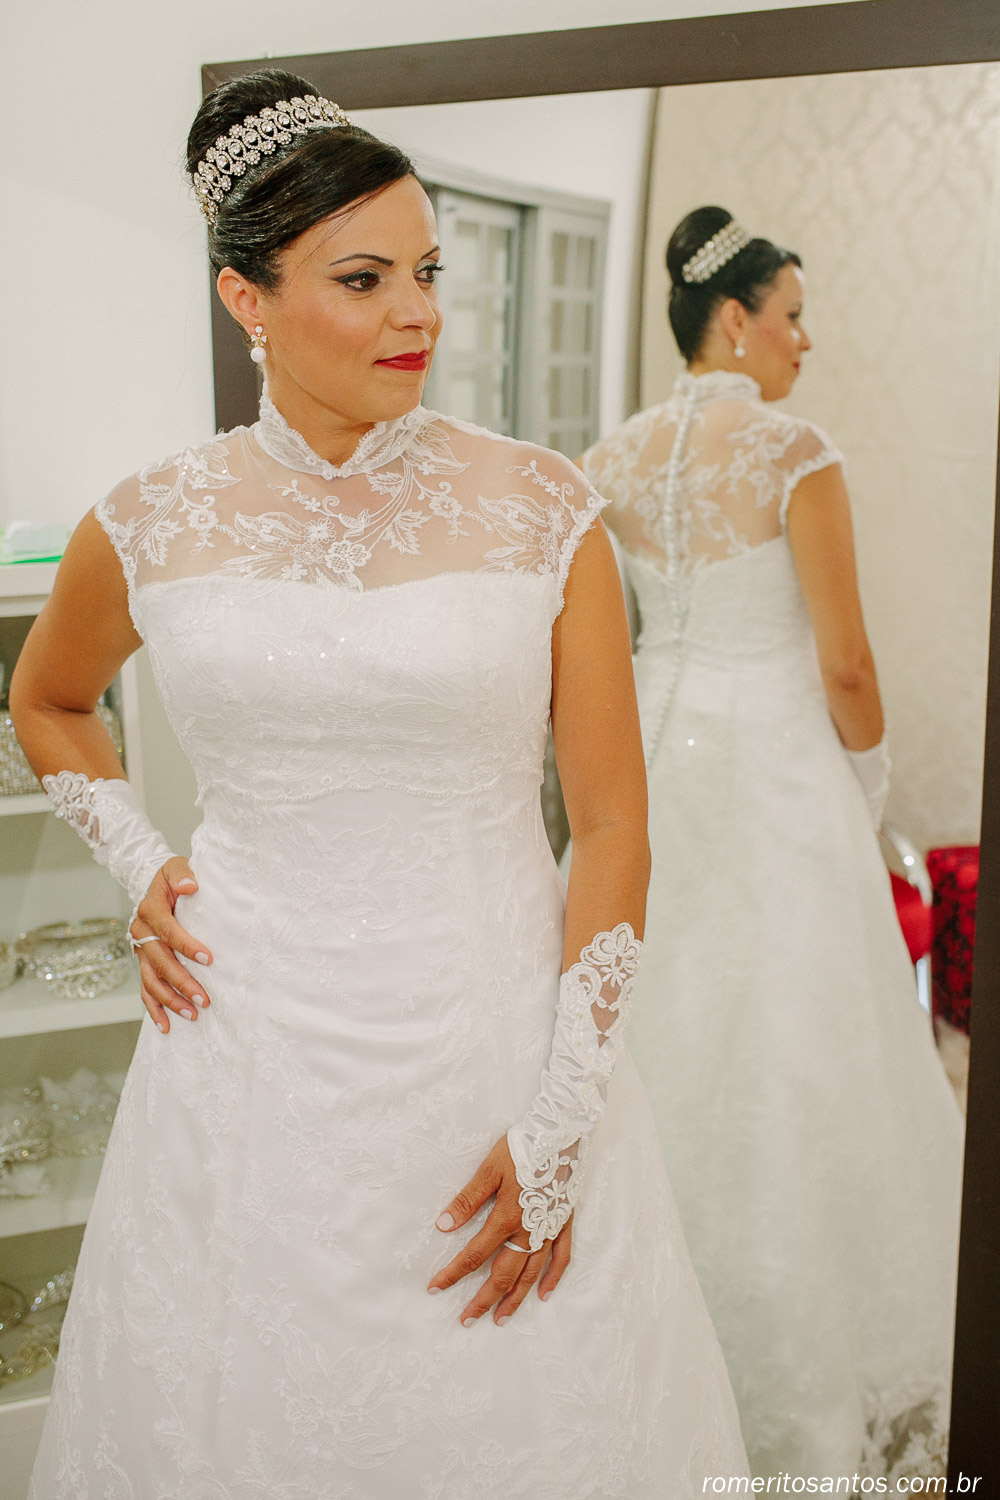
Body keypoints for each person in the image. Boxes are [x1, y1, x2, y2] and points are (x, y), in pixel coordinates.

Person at [12, 80, 748, 1497]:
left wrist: (563, 1112)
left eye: (428, 274)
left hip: (485, 1036)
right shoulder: (152, 517)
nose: (419, 315)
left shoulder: (543, 508)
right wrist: (139, 860)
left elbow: (610, 821)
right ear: (248, 296)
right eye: (365, 280)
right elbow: (44, 699)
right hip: (248, 1048)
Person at [580, 205, 964, 1484]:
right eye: (791, 313)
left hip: (652, 758)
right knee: (799, 1039)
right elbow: (846, 661)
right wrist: (866, 780)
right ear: (732, 319)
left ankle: (652, 1335)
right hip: (779, 761)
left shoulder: (605, 460)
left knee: (670, 1026)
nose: (807, 339)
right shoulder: (795, 448)